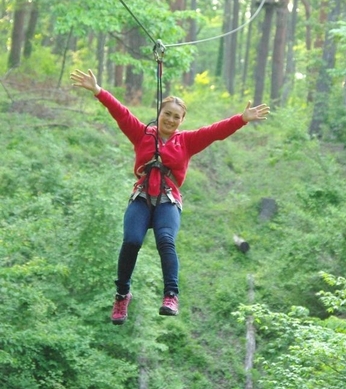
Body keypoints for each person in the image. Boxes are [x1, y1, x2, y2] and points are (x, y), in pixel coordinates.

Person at [70, 68, 270, 324]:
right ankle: (122, 295)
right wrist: (98, 91)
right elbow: (121, 113)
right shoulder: (142, 134)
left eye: (177, 117)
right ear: (159, 114)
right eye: (167, 114)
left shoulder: (186, 141)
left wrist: (241, 118)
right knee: (131, 241)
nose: (171, 119)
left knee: (166, 239)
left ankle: (171, 295)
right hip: (142, 197)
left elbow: (215, 131)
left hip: (168, 200)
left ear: (181, 120)